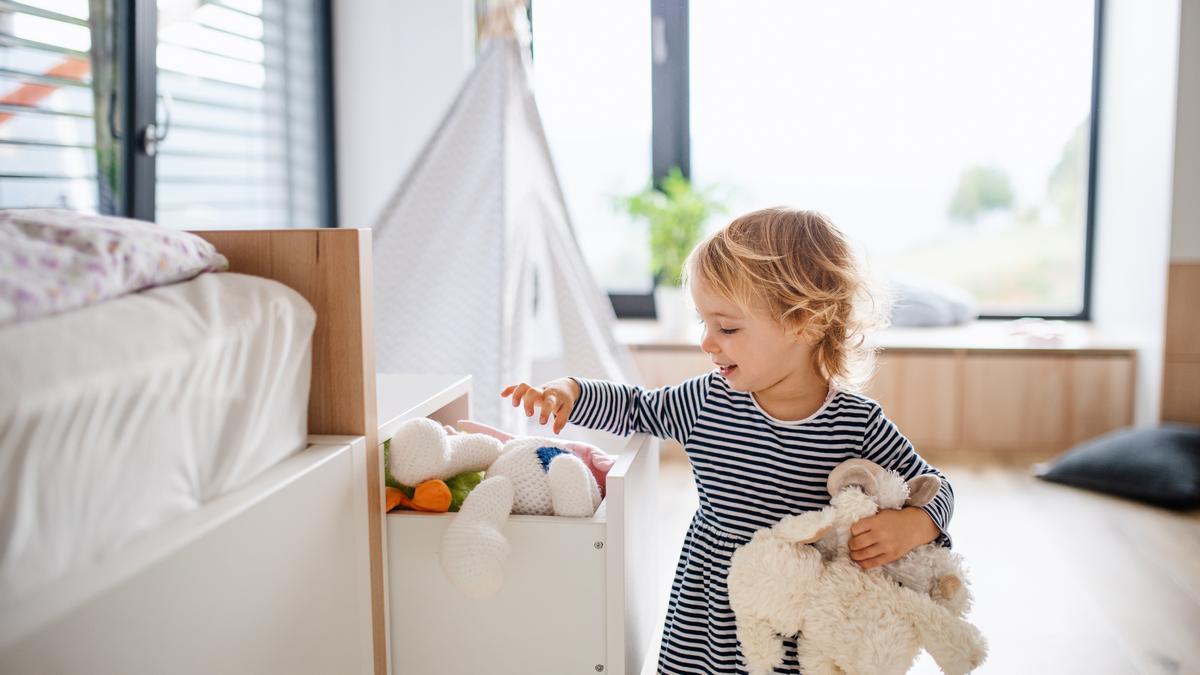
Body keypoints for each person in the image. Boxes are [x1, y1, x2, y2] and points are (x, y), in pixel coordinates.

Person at [502, 207, 954, 674]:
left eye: (728, 328)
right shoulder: (705, 400)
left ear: (806, 323)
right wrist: (571, 393)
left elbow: (934, 485)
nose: (707, 342)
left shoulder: (856, 421)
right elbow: (638, 408)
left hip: (802, 606)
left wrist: (917, 525)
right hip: (709, 604)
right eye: (704, 323)